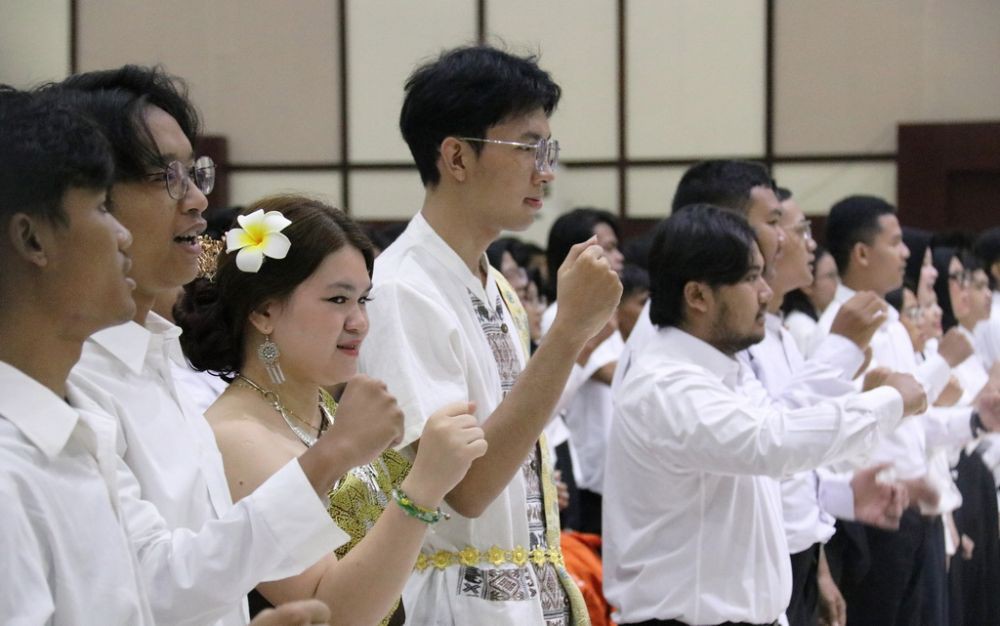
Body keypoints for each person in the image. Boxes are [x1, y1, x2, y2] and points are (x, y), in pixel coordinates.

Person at [47, 66, 405, 625]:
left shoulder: (162, 365)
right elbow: (154, 583)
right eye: (164, 176)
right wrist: (349, 465)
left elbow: (201, 581)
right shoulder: (71, 382)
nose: (196, 200)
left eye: (194, 174)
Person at [0, 86, 338, 626]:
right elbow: (161, 581)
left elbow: (133, 598)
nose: (118, 234)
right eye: (100, 207)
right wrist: (337, 458)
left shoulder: (127, 380)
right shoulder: (34, 440)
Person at [359, 45, 622, 625]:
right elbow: (467, 489)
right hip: (459, 601)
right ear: (456, 156)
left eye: (548, 150)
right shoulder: (401, 289)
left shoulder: (496, 285)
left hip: (528, 593)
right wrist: (571, 331)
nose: (545, 170)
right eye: (528, 147)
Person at [602, 206, 926, 626]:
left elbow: (766, 466)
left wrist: (839, 493)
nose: (766, 293)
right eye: (750, 278)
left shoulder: (726, 368)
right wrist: (888, 401)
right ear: (698, 295)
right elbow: (774, 442)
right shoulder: (665, 383)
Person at [176, 194, 487, 625]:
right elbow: (330, 614)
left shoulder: (321, 407)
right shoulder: (237, 437)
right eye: (338, 300)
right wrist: (425, 485)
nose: (359, 322)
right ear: (264, 310)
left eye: (364, 300)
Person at [543, 207, 626, 535]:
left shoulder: (605, 314)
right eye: (606, 248)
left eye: (616, 247)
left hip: (610, 463)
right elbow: (613, 374)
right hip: (585, 461)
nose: (617, 257)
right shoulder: (558, 316)